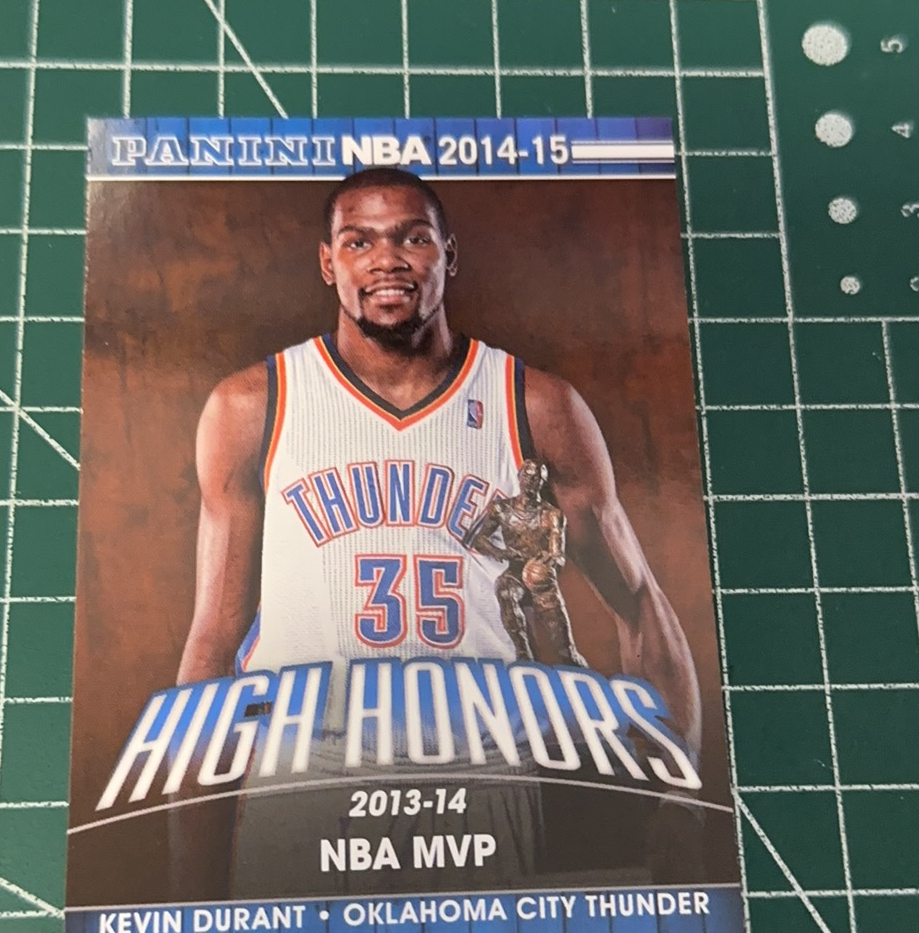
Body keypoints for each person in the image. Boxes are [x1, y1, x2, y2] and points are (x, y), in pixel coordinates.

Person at [173, 167, 702, 896]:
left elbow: (639, 600)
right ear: (328, 263)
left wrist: (678, 791)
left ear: (449, 255)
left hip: (480, 773)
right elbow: (213, 641)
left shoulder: (535, 405)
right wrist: (189, 872)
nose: (386, 261)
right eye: (359, 241)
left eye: (412, 238)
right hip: (307, 773)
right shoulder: (252, 405)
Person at [470, 459, 585, 666]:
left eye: (536, 479)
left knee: (566, 652)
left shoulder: (551, 515)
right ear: (520, 477)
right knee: (504, 588)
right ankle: (523, 652)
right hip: (515, 573)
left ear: (542, 482)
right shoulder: (502, 509)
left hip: (541, 580)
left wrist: (549, 563)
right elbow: (480, 539)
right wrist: (502, 552)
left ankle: (575, 666)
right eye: (528, 477)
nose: (531, 482)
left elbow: (558, 554)